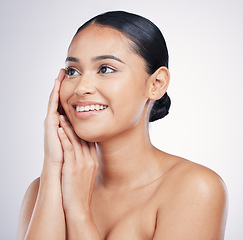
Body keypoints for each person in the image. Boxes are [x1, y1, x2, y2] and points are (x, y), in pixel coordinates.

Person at [17, 11, 228, 240]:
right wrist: (52, 167)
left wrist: (78, 212)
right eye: (72, 71)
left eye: (105, 69)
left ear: (156, 84)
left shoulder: (195, 189)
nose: (81, 88)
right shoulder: (40, 192)